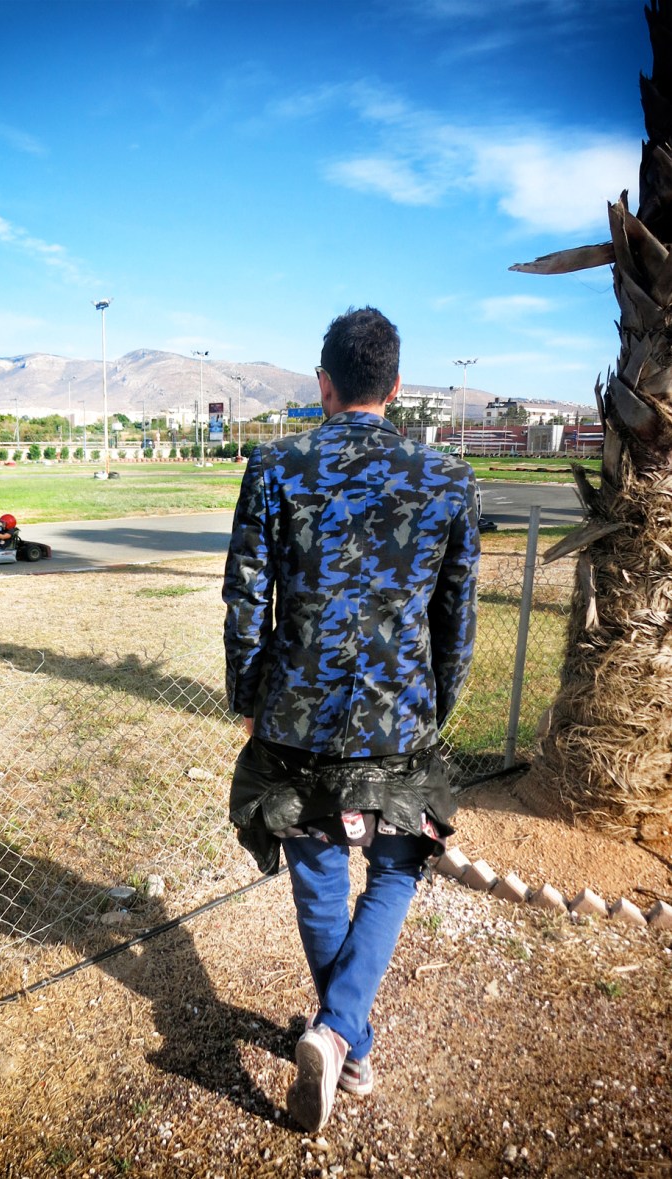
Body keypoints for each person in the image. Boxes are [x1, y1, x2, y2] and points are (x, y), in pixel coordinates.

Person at [222, 307, 480, 1133]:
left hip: (298, 715)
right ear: (397, 387)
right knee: (402, 864)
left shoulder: (275, 464)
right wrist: (439, 697)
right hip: (402, 715)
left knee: (320, 873)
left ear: (324, 383)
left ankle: (342, 1038)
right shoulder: (447, 478)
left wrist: (249, 694)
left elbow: (244, 598)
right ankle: (343, 1035)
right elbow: (457, 611)